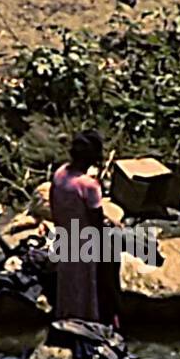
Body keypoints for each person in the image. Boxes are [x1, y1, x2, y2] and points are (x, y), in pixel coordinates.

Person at [49, 130, 119, 326]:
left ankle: (66, 320)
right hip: (85, 244)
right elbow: (96, 223)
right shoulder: (89, 186)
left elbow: (54, 206)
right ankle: (98, 322)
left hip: (65, 239)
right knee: (94, 286)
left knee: (69, 288)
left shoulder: (60, 174)